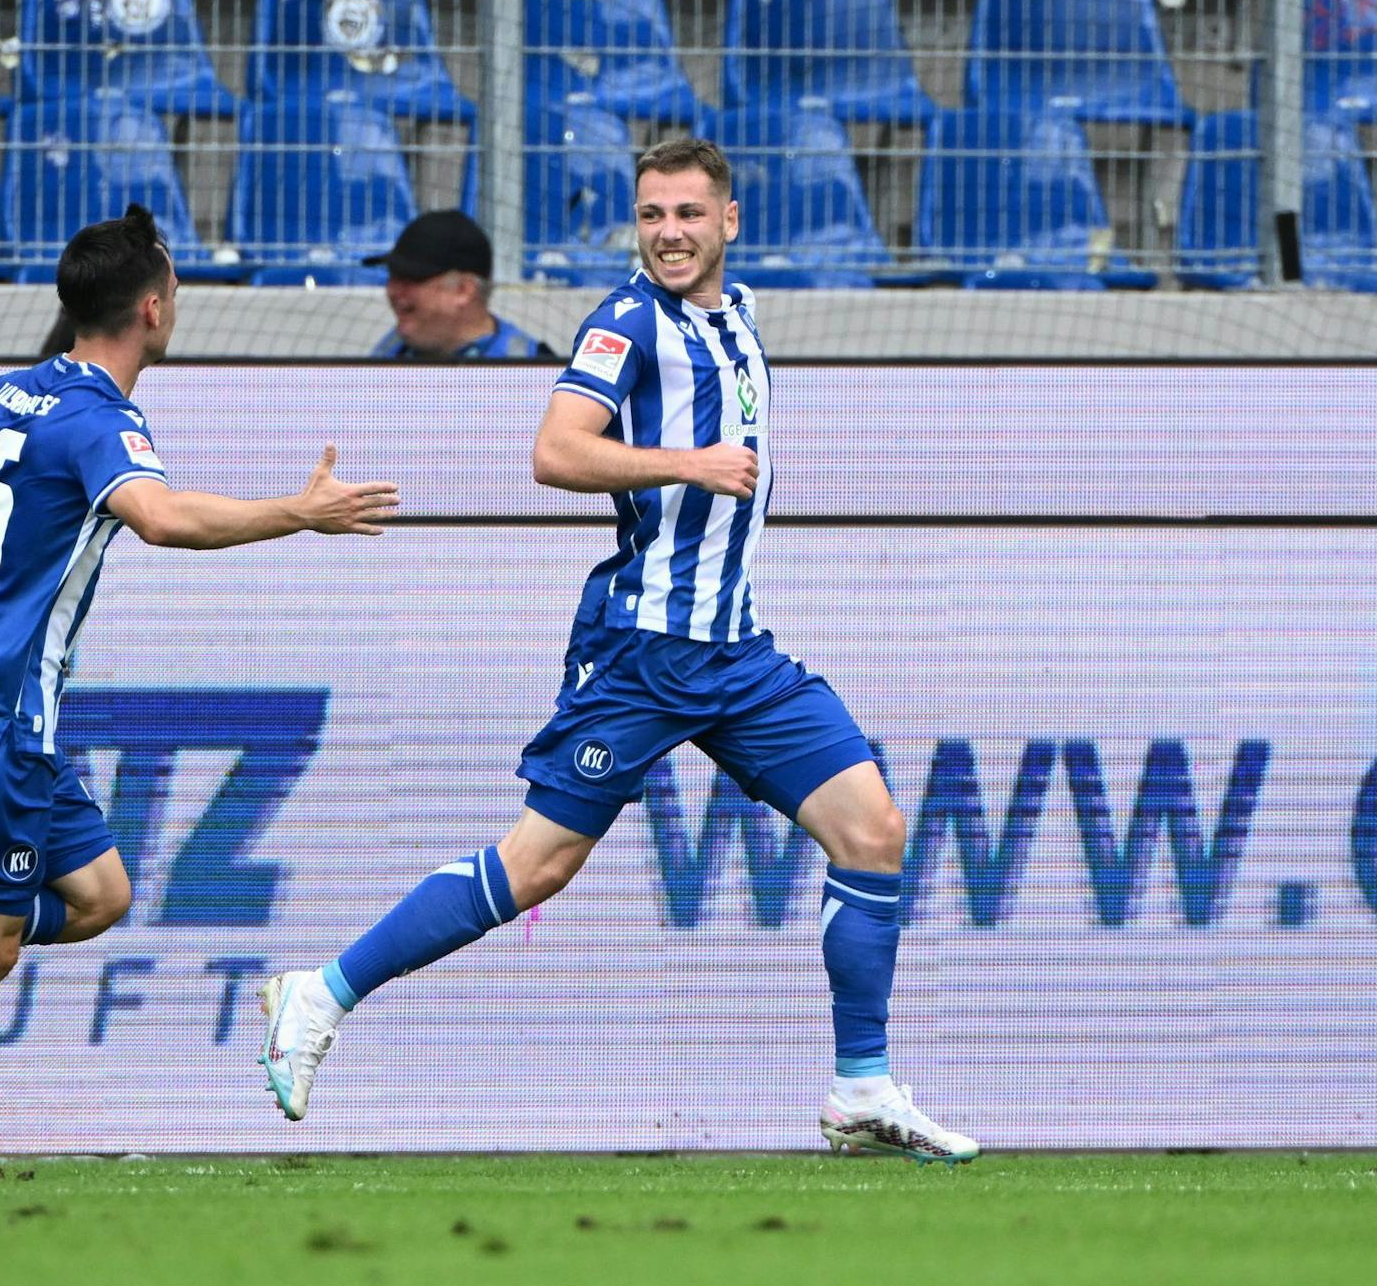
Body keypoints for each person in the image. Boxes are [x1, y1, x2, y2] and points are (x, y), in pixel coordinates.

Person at [258, 141, 979, 1164]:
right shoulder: (624, 322)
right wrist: (685, 463)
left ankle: (859, 1087)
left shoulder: (735, 320)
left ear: (730, 221)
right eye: (650, 215)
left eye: (687, 213)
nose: (669, 233)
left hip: (734, 654)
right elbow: (555, 452)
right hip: (641, 651)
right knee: (536, 865)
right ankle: (318, 993)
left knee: (872, 831)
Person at [0, 206, 400, 1178]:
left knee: (98, 894)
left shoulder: (10, 395)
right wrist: (298, 512)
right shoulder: (97, 420)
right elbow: (158, 518)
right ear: (153, 308)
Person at [364, 210, 556, 360]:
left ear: (463, 291)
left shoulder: (536, 372)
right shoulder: (385, 356)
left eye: (412, 278)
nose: (393, 290)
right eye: (393, 276)